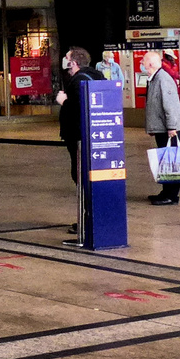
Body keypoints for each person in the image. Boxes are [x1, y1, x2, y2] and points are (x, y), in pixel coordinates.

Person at [56, 46, 107, 236]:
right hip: (94, 137)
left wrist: (64, 102)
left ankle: (87, 218)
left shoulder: (79, 81)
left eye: (67, 59)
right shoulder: (97, 76)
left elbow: (79, 108)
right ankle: (92, 216)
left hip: (79, 138)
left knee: (81, 176)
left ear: (74, 63)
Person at [144, 53, 180, 205]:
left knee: (173, 162)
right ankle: (166, 191)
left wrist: (171, 127)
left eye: (144, 61)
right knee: (166, 160)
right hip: (162, 128)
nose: (142, 63)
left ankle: (172, 196)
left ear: (150, 64)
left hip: (170, 129)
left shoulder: (163, 79)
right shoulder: (155, 78)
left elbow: (170, 106)